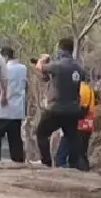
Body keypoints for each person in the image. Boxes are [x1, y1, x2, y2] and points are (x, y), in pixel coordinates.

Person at [34, 38, 87, 170]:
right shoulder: (79, 68)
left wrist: (43, 59)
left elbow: (39, 67)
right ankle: (74, 165)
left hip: (56, 109)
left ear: (60, 49)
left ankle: (46, 162)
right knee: (72, 136)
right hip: (73, 109)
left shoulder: (57, 65)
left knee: (41, 133)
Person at [0, 46, 27, 164]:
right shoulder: (23, 68)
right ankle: (18, 160)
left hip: (4, 107)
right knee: (15, 137)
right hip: (18, 108)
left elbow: (0, 86)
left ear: (6, 56)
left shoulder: (4, 69)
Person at [55, 77, 95, 170]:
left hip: (78, 123)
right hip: (88, 124)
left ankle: (62, 163)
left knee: (70, 145)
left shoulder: (79, 89)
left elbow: (77, 106)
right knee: (82, 150)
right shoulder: (89, 89)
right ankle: (82, 168)